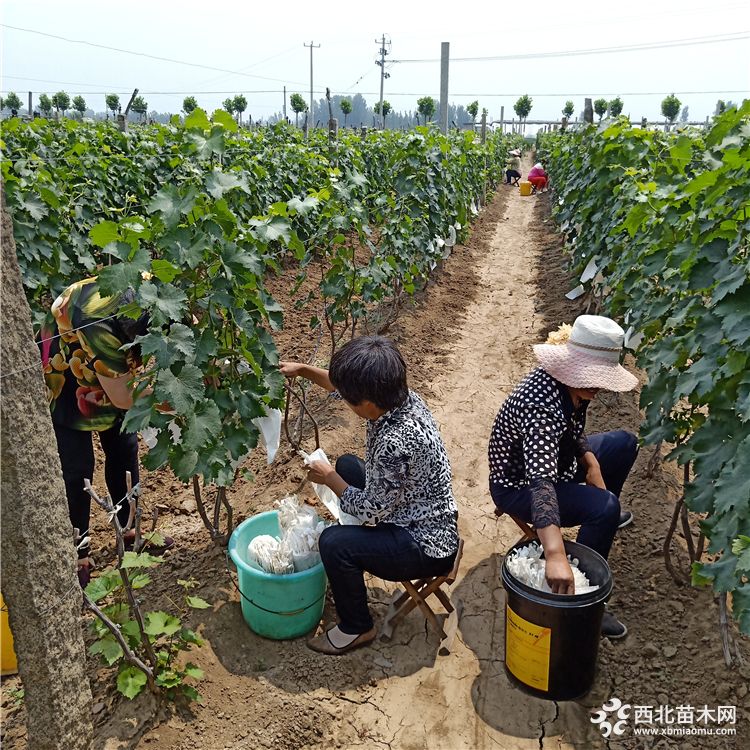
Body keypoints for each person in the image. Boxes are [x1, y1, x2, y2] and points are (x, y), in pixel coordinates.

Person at [280, 336, 459, 655]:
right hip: (417, 509)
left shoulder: (395, 440)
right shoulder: (401, 399)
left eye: (349, 399)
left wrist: (329, 477)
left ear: (367, 403)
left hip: (425, 544)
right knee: (349, 464)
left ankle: (356, 627)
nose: (344, 400)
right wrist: (304, 369)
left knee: (333, 543)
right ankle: (362, 548)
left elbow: (369, 508)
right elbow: (340, 385)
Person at [488, 315, 638, 639]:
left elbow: (573, 429)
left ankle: (600, 518)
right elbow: (540, 483)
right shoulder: (541, 406)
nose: (597, 387)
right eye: (593, 377)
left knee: (625, 444)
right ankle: (585, 603)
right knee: (606, 507)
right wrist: (555, 555)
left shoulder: (571, 385)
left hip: (558, 463)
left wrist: (591, 463)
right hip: (519, 485)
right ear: (572, 366)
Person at [38, 277, 169, 587]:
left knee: (124, 445)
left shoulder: (153, 287)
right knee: (77, 465)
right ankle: (79, 550)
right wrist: (171, 401)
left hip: (110, 361)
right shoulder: (95, 320)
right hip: (66, 366)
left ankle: (129, 528)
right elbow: (124, 398)